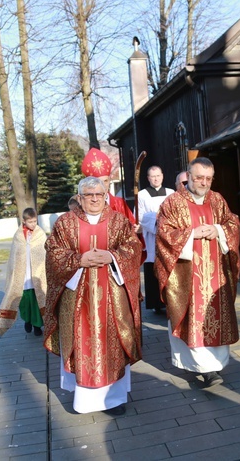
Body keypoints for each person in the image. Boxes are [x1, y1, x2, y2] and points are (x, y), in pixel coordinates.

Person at [43, 176, 143, 415]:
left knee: (114, 343)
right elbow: (53, 254)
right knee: (81, 344)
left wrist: (113, 257)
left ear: (105, 195)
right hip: (78, 298)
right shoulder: (65, 223)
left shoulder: (119, 221)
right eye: (89, 195)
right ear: (80, 198)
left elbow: (133, 247)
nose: (95, 199)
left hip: (112, 298)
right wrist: (79, 260)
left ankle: (115, 400)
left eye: (99, 194)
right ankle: (85, 401)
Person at [154, 157, 240, 387]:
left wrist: (218, 229)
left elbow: (232, 223)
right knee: (192, 318)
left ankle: (215, 365)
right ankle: (201, 368)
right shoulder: (173, 203)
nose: (203, 183)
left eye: (208, 178)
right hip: (187, 275)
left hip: (216, 274)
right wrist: (192, 234)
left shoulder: (218, 200)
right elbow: (164, 233)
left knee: (216, 314)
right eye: (199, 177)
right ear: (188, 177)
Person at [0, 207, 47, 337]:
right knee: (24, 302)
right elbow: (13, 257)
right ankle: (27, 320)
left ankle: (37, 325)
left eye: (35, 221)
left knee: (36, 301)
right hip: (22, 276)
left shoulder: (40, 234)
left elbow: (45, 253)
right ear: (24, 221)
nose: (33, 224)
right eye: (30, 222)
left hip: (36, 274)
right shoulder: (18, 236)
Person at [138, 166, 175, 313]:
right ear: (148, 178)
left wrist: (165, 223)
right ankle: (155, 303)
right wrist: (158, 221)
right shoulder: (141, 195)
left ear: (162, 176)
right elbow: (141, 216)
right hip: (151, 236)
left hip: (168, 237)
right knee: (152, 268)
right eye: (152, 176)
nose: (156, 179)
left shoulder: (171, 193)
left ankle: (170, 300)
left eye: (158, 176)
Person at [81, 148, 140, 233]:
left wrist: (137, 230)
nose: (103, 186)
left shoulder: (119, 204)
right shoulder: (83, 205)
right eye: (99, 182)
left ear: (109, 179)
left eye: (105, 181)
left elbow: (131, 229)